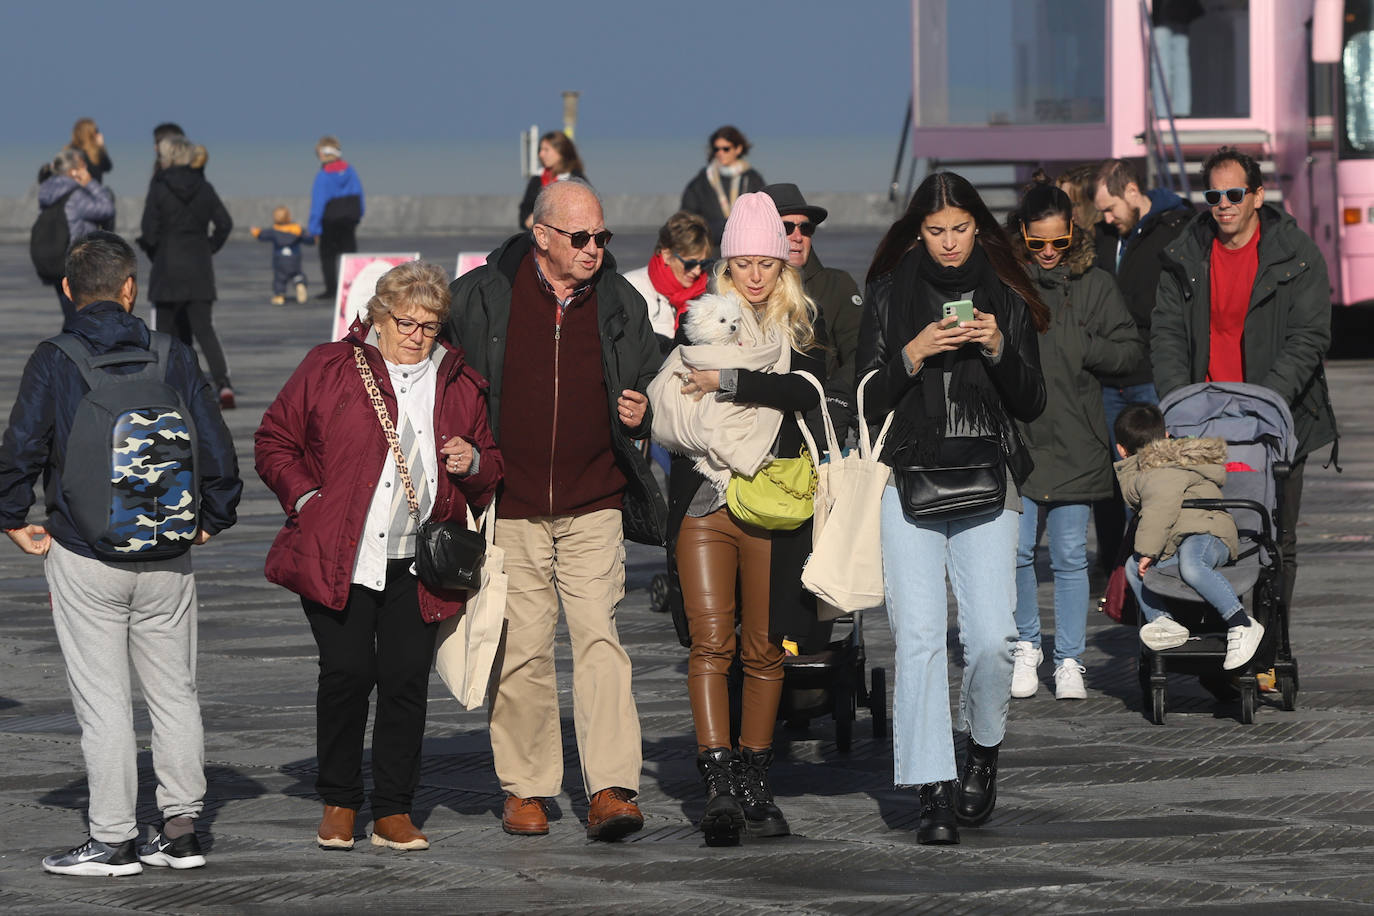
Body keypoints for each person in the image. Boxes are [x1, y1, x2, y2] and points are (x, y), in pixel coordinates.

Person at [0, 231, 241, 876]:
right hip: (168, 557)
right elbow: (215, 445)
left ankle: (112, 840)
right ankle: (181, 832)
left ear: (68, 290)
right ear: (131, 289)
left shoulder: (55, 358)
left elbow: (22, 446)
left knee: (103, 702)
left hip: (85, 554)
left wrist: (12, 519)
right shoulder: (172, 352)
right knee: (175, 693)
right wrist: (211, 519)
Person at [255, 260, 502, 853]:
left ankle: (393, 809)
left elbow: (491, 467)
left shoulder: (459, 382)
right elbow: (274, 440)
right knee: (346, 673)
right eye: (405, 322)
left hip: (419, 561)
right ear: (379, 318)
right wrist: (307, 498)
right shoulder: (330, 366)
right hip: (341, 553)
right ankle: (340, 800)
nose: (417, 335)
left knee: (404, 681)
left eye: (429, 325)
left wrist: (473, 461)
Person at [446, 178, 663, 841]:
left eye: (603, 236)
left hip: (594, 500)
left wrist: (644, 408)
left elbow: (650, 375)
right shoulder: (481, 296)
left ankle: (611, 789)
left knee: (600, 639)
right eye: (581, 236)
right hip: (510, 505)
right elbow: (438, 375)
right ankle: (527, 787)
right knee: (522, 648)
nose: (595, 247)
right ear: (541, 236)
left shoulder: (621, 300)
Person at [858, 171, 1047, 845]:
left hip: (988, 474)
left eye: (960, 229)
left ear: (978, 226)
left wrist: (996, 347)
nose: (948, 243)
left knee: (994, 639)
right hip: (905, 476)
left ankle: (983, 750)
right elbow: (864, 399)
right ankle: (932, 788)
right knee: (918, 639)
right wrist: (912, 354)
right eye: (935, 230)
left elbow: (1033, 401)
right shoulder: (887, 294)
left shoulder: (1005, 293)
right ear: (917, 232)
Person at [656, 192, 826, 845]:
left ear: (783, 266)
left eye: (767, 263)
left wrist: (728, 385)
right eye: (743, 263)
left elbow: (807, 392)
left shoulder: (795, 333)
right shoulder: (699, 324)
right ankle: (719, 781)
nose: (755, 275)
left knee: (764, 646)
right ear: (726, 266)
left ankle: (756, 778)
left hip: (769, 502)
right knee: (711, 643)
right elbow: (671, 402)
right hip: (703, 503)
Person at [1152, 146, 1338, 613]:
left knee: (1276, 539)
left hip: (1277, 420)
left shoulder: (1297, 253)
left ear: (1257, 195)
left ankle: (1270, 645)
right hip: (1203, 422)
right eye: (1213, 195)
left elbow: (1309, 336)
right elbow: (1167, 334)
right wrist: (1179, 404)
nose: (1224, 205)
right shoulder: (1185, 254)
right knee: (1200, 531)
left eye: (1234, 194)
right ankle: (1223, 637)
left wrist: (1264, 402)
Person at [1006, 181, 1145, 701]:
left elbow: (1130, 351)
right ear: (1022, 235)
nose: (1048, 252)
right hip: (1020, 441)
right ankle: (1026, 646)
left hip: (1077, 438)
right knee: (1017, 553)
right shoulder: (1006, 283)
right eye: (1038, 242)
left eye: (1059, 242)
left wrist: (1083, 345)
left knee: (1069, 557)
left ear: (1073, 232)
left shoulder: (1095, 283)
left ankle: (1069, 660)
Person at [1091, 158, 1193, 570]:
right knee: (1114, 478)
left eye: (1110, 207)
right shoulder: (1103, 236)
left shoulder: (1176, 228)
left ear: (1132, 191)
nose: (1106, 218)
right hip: (1107, 378)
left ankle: (1154, 565)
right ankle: (1117, 568)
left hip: (1150, 375)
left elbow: (1171, 304)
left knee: (1153, 480)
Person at [1114, 404, 1265, 669]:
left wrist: (1148, 552)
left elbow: (1159, 511)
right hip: (1179, 538)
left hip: (1208, 532)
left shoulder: (1160, 469)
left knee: (1192, 565)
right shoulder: (1155, 466)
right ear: (1167, 436)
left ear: (1120, 449)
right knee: (1131, 566)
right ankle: (1163, 621)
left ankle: (1242, 623)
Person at [138, 135, 235, 409]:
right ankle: (223, 384)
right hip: (198, 265)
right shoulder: (204, 186)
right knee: (204, 329)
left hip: (167, 266)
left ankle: (164, 385)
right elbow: (225, 223)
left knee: (164, 334)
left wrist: (156, 251)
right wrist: (208, 247)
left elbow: (148, 230)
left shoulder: (159, 186)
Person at [763, 183, 864, 390]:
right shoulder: (743, 290)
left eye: (806, 228)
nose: (798, 237)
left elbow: (859, 353)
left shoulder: (837, 285)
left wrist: (835, 398)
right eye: (786, 228)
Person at [38, 148, 116, 324]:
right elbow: (107, 209)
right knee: (81, 320)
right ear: (73, 171)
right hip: (77, 263)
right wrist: (90, 183)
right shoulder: (76, 196)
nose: (86, 169)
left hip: (56, 261)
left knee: (72, 316)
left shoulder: (48, 191)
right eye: (82, 165)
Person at [624, 210, 712, 351]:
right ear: (666, 255)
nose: (697, 271)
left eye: (703, 263)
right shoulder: (630, 288)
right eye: (690, 263)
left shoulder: (709, 292)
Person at [680, 126, 765, 247]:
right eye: (716, 149)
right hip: (710, 250)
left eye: (726, 149)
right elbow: (687, 219)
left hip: (747, 248)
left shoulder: (753, 179)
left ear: (738, 149)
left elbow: (764, 214)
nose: (720, 153)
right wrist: (717, 230)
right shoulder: (700, 182)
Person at [309, 136, 365, 301]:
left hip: (329, 220)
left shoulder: (323, 176)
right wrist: (358, 215)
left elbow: (318, 204)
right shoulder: (350, 171)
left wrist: (314, 229)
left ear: (322, 154)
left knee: (327, 256)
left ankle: (331, 290)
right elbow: (359, 194)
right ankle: (352, 287)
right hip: (349, 219)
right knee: (350, 254)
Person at [518, 131, 586, 230]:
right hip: (538, 235)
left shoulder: (576, 180)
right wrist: (527, 221)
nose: (541, 154)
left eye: (546, 150)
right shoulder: (537, 178)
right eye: (540, 150)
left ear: (561, 152)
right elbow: (525, 209)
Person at [250, 206, 315, 304]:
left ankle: (279, 295)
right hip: (294, 258)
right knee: (297, 274)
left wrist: (255, 232)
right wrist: (313, 239)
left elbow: (262, 235)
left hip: (280, 259)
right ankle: (300, 284)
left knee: (280, 278)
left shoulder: (274, 231)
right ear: (288, 217)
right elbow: (308, 239)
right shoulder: (296, 229)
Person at [67, 118, 112, 184]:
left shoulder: (68, 150)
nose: (98, 134)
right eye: (96, 131)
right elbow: (107, 167)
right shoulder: (94, 154)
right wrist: (101, 147)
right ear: (91, 134)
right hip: (91, 189)